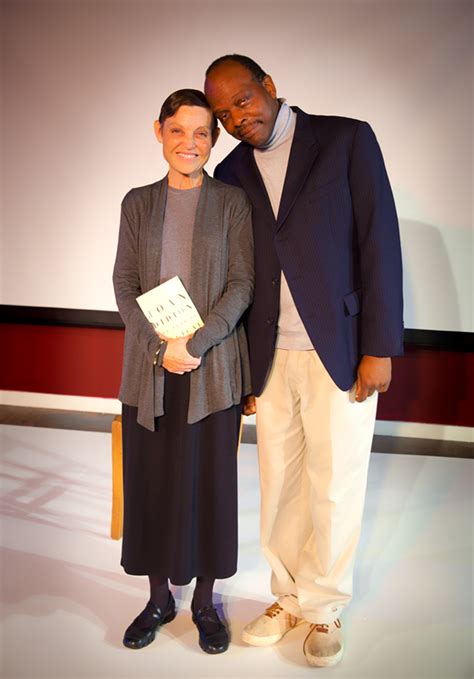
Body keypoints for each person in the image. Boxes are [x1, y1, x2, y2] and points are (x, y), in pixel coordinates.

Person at [204, 55, 403, 667]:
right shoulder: (232, 171)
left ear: (269, 86)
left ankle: (325, 607)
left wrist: (379, 346)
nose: (237, 118)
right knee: (279, 488)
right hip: (268, 356)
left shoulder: (345, 140)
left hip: (339, 348)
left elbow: (379, 240)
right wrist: (240, 366)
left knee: (334, 485)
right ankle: (288, 597)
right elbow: (236, 273)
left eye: (242, 100)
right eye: (223, 114)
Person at [113, 88, 254, 655]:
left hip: (212, 370)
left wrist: (194, 342)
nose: (189, 143)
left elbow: (241, 284)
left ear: (213, 139)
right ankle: (157, 600)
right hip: (149, 370)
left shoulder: (233, 203)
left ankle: (204, 604)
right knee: (151, 484)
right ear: (159, 132)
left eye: (201, 133)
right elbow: (124, 284)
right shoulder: (137, 203)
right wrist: (160, 347)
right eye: (178, 130)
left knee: (209, 488)